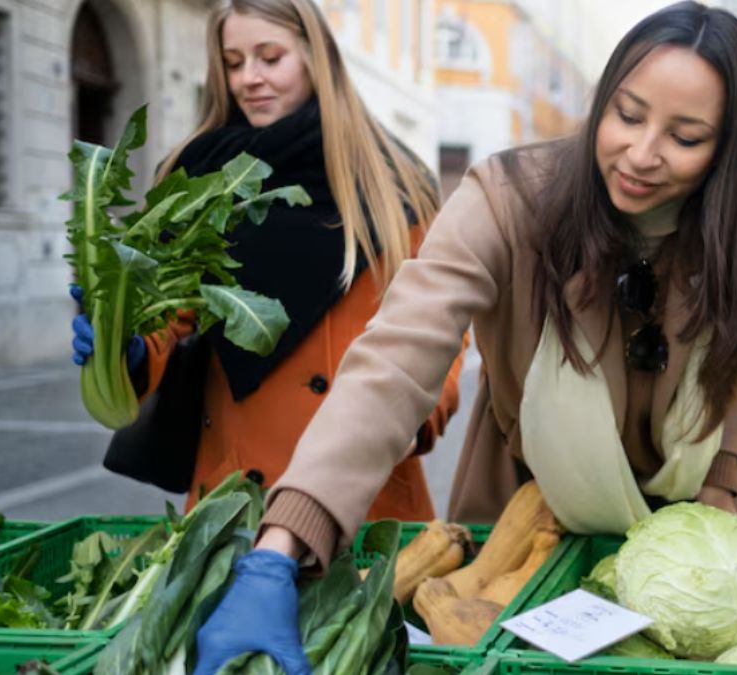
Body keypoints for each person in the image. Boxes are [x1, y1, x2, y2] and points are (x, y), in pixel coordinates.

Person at [193, 3, 737, 673]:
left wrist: (724, 478)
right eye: (626, 115)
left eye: (685, 137)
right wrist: (282, 542)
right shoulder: (508, 199)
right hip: (521, 523)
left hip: (686, 540)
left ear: (728, 148)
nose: (642, 152)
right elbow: (398, 354)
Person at [70, 0, 466, 520]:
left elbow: (442, 329)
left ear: (313, 56)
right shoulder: (196, 176)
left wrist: (409, 422)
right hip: (234, 497)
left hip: (364, 489)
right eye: (233, 63)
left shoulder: (391, 179)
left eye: (269, 57)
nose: (248, 79)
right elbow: (167, 311)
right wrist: (131, 350)